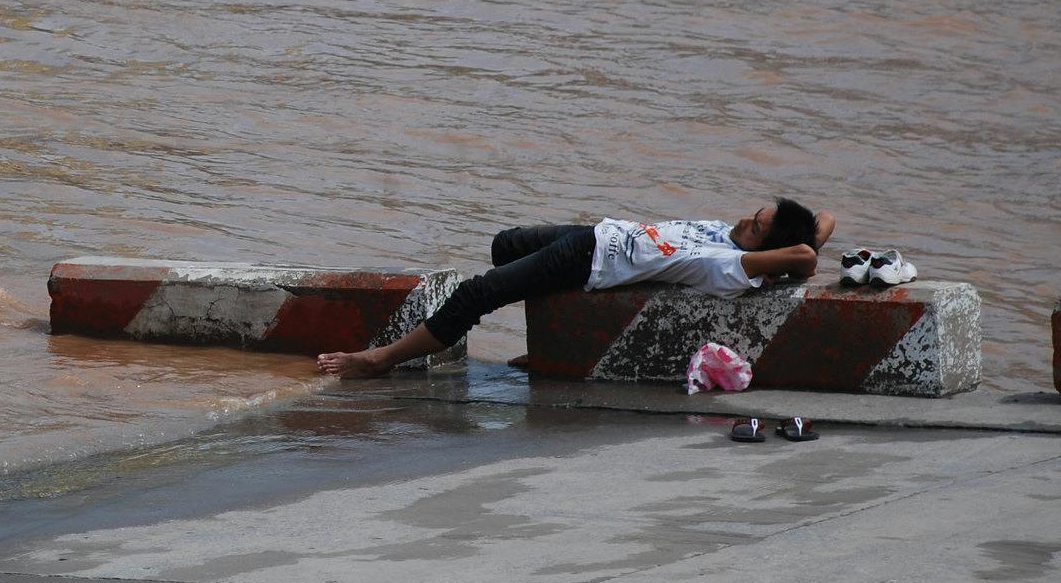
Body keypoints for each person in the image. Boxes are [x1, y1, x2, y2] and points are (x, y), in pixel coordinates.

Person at [317, 199, 835, 379]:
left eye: (757, 226)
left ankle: (380, 360)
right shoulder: (738, 239)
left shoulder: (729, 266)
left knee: (477, 294)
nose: (746, 220)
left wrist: (797, 255)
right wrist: (801, 229)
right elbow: (824, 225)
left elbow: (806, 256)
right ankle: (544, 351)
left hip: (590, 259)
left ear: (767, 251)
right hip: (596, 238)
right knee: (506, 245)